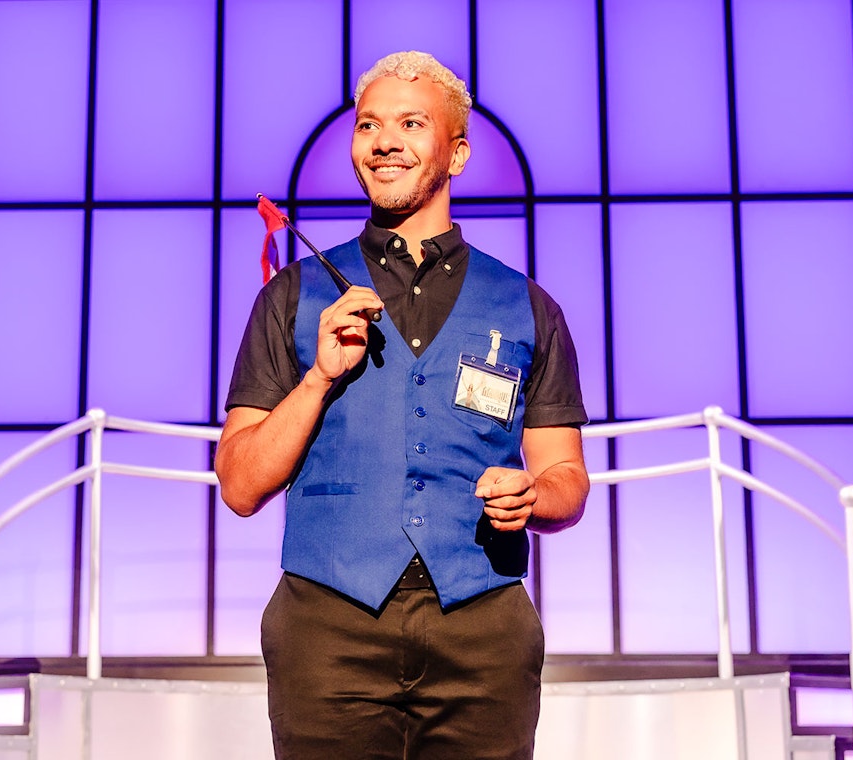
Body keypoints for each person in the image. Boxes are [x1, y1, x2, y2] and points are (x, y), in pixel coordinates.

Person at [215, 50, 590, 760]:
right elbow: (238, 484)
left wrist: (532, 495)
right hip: (328, 628)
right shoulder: (293, 297)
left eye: (411, 123)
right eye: (367, 125)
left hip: (483, 630)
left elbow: (567, 481)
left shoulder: (527, 307)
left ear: (457, 152)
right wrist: (318, 378)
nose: (384, 140)